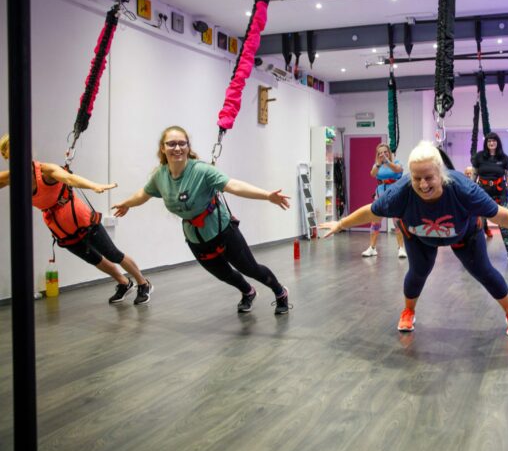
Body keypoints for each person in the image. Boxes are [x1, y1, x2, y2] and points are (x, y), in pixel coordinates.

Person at [320, 141, 508, 337]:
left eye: (429, 178)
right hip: (419, 237)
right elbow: (371, 211)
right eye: (417, 179)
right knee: (418, 272)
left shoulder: (462, 188)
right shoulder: (400, 192)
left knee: (484, 271)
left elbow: (501, 215)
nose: (423, 185)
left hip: (464, 235)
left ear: (441, 173)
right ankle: (408, 311)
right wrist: (341, 224)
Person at [112, 126, 291, 315]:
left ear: (188, 147)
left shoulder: (202, 170)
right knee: (223, 274)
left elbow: (233, 185)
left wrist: (267, 196)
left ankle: (280, 292)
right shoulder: (160, 176)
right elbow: (144, 193)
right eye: (171, 144)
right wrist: (128, 204)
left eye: (182, 143)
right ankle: (248, 291)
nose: (177, 148)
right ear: (163, 148)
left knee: (250, 268)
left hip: (222, 230)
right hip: (195, 238)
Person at [0, 133, 153, 304]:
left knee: (113, 253)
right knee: (94, 259)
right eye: (12, 151)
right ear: (6, 155)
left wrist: (94, 186)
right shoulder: (10, 177)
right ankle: (124, 283)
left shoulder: (45, 171)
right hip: (61, 229)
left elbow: (69, 178)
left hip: (81, 219)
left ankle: (143, 283)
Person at [471, 132, 508, 262]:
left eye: (494, 141)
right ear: (486, 143)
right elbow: (473, 177)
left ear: (498, 143)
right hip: (482, 195)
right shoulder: (479, 157)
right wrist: (469, 193)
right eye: (489, 141)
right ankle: (473, 254)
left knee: (504, 224)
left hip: (500, 195)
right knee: (477, 224)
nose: (491, 143)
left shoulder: (504, 158)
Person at [361, 143, 407, 259]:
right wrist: (378, 163)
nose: (383, 154)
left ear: (389, 153)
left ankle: (401, 248)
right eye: (380, 153)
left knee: (397, 222)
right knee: (375, 221)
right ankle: (372, 248)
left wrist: (386, 161)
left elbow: (398, 170)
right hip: (380, 195)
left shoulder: (396, 163)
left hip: (394, 195)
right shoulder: (377, 165)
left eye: (385, 152)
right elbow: (372, 174)